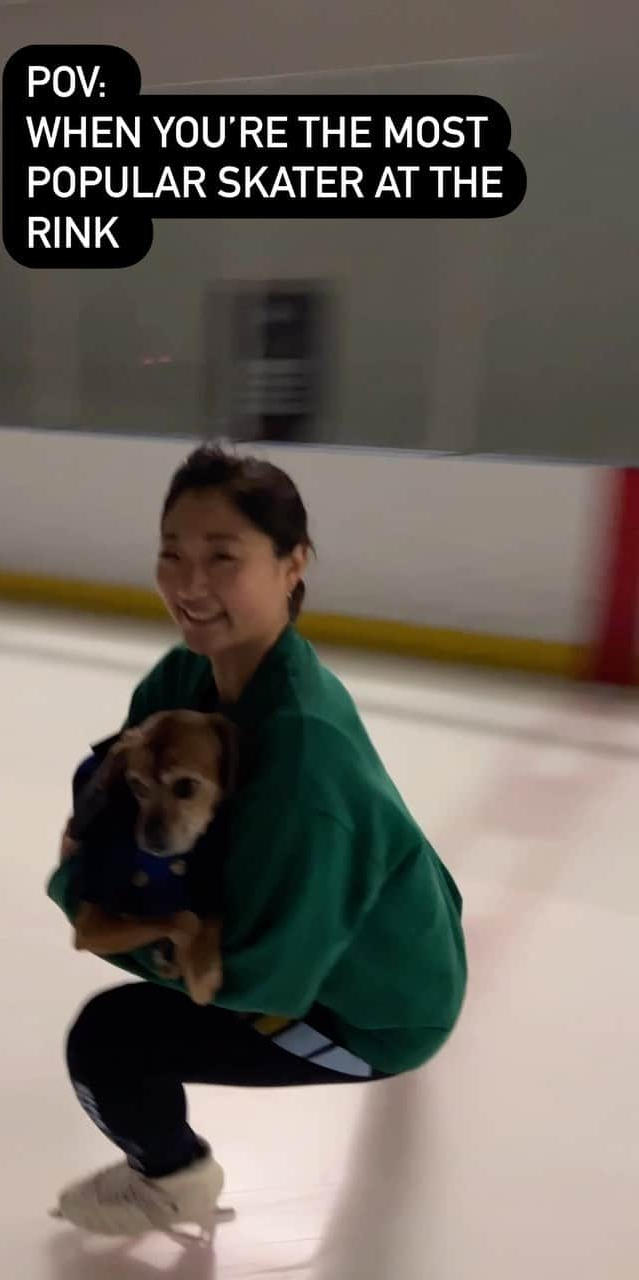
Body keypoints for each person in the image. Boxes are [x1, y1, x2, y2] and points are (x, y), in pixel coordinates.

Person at [47, 443, 467, 1239]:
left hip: (370, 1012)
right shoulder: (186, 680)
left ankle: (174, 1181)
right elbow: (109, 798)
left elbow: (255, 977)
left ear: (293, 563)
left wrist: (91, 903)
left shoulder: (301, 754)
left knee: (111, 1043)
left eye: (223, 558)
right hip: (393, 928)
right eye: (172, 554)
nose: (189, 584)